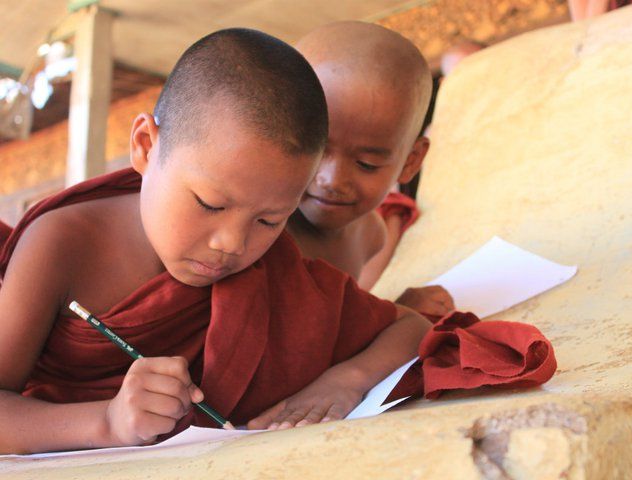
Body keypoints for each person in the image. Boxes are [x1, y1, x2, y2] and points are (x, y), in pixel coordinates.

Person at [0, 28, 429, 455]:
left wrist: (343, 382)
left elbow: (410, 327)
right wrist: (107, 422)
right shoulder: (65, 244)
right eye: (209, 204)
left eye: (268, 220)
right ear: (146, 146)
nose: (231, 243)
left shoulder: (279, 259)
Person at [288, 22, 455, 317]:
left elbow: (337, 320)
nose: (332, 180)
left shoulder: (371, 237)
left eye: (367, 164)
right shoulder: (255, 232)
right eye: (314, 149)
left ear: (410, 162)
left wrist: (392, 311)